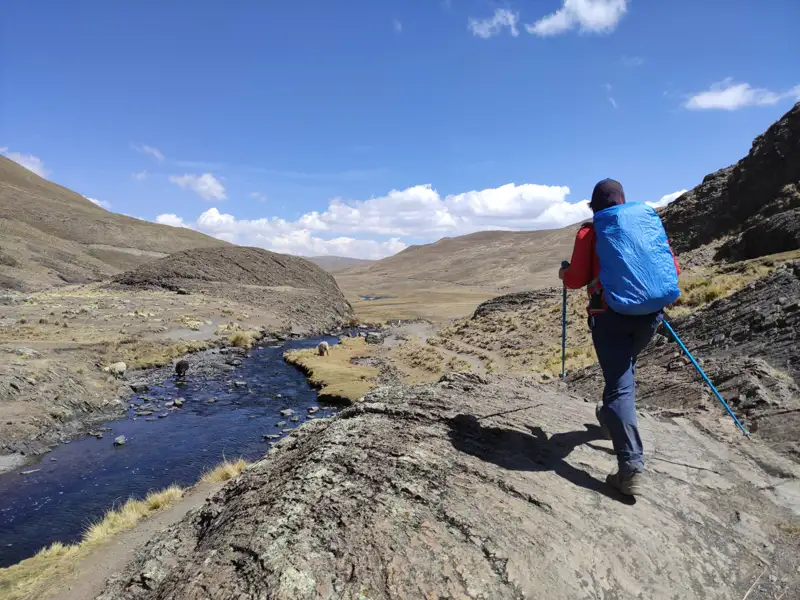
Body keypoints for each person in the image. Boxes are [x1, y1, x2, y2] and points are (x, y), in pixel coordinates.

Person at [558, 179, 680, 496]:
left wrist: (564, 273)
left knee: (619, 386)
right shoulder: (645, 222)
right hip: (650, 316)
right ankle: (607, 415)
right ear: (623, 200)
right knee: (622, 373)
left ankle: (630, 468)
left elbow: (575, 280)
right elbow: (672, 268)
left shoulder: (591, 231)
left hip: (609, 318)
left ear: (594, 206)